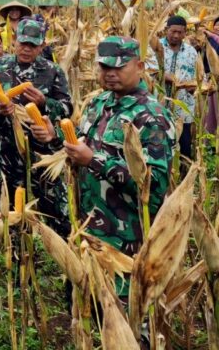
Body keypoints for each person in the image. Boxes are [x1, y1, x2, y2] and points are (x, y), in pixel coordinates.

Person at [54, 37, 173, 282]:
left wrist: (93, 161)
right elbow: (84, 144)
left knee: (119, 312)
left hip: (125, 242)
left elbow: (155, 184)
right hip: (87, 229)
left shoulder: (152, 117)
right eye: (105, 67)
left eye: (119, 67)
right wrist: (53, 135)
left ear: (139, 67)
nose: (110, 73)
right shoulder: (99, 103)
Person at [0, 18, 72, 236]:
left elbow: (67, 108)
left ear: (42, 46)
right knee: (10, 209)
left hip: (42, 151)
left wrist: (45, 103)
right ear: (15, 41)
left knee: (53, 208)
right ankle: (15, 254)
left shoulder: (53, 71)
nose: (26, 49)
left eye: (32, 45)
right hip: (8, 150)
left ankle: (57, 251)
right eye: (23, 43)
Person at [146, 15, 198, 160]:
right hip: (158, 106)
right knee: (157, 148)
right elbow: (147, 71)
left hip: (184, 108)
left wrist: (194, 87)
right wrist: (166, 77)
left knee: (185, 147)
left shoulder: (191, 52)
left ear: (185, 33)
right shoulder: (154, 48)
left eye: (180, 32)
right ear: (166, 30)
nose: (176, 35)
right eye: (173, 31)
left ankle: (183, 176)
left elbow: (199, 77)